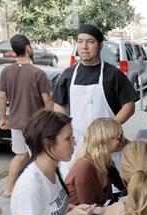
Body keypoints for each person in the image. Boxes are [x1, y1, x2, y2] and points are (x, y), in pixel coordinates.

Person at [53, 24, 139, 176]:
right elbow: (59, 105)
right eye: (80, 41)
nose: (84, 46)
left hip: (108, 144)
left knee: (110, 187)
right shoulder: (68, 74)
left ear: (100, 46)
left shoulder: (113, 74)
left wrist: (108, 130)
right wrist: (65, 130)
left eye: (90, 42)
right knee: (78, 185)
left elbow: (129, 106)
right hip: (77, 143)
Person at [0, 34, 54, 197]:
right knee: (40, 156)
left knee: (20, 155)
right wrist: (50, 120)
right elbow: (47, 102)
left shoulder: (7, 72)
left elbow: (2, 97)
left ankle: (8, 189)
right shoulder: (38, 73)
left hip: (15, 123)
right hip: (34, 125)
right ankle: (42, 190)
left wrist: (3, 118)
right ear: (28, 48)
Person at [65, 118, 126, 215]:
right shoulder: (84, 168)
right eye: (119, 137)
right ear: (105, 140)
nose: (123, 140)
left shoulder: (105, 162)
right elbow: (87, 212)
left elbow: (125, 187)